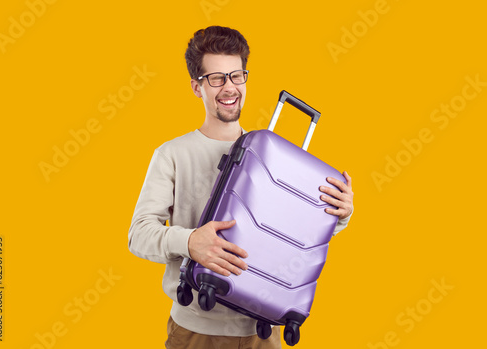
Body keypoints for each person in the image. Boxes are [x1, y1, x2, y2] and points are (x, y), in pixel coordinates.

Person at [128, 26, 354, 349]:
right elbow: (138, 235)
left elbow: (289, 238)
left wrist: (339, 214)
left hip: (263, 331)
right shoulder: (172, 154)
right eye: (216, 78)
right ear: (197, 87)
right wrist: (190, 241)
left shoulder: (274, 158)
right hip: (195, 330)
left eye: (237, 76)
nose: (229, 87)